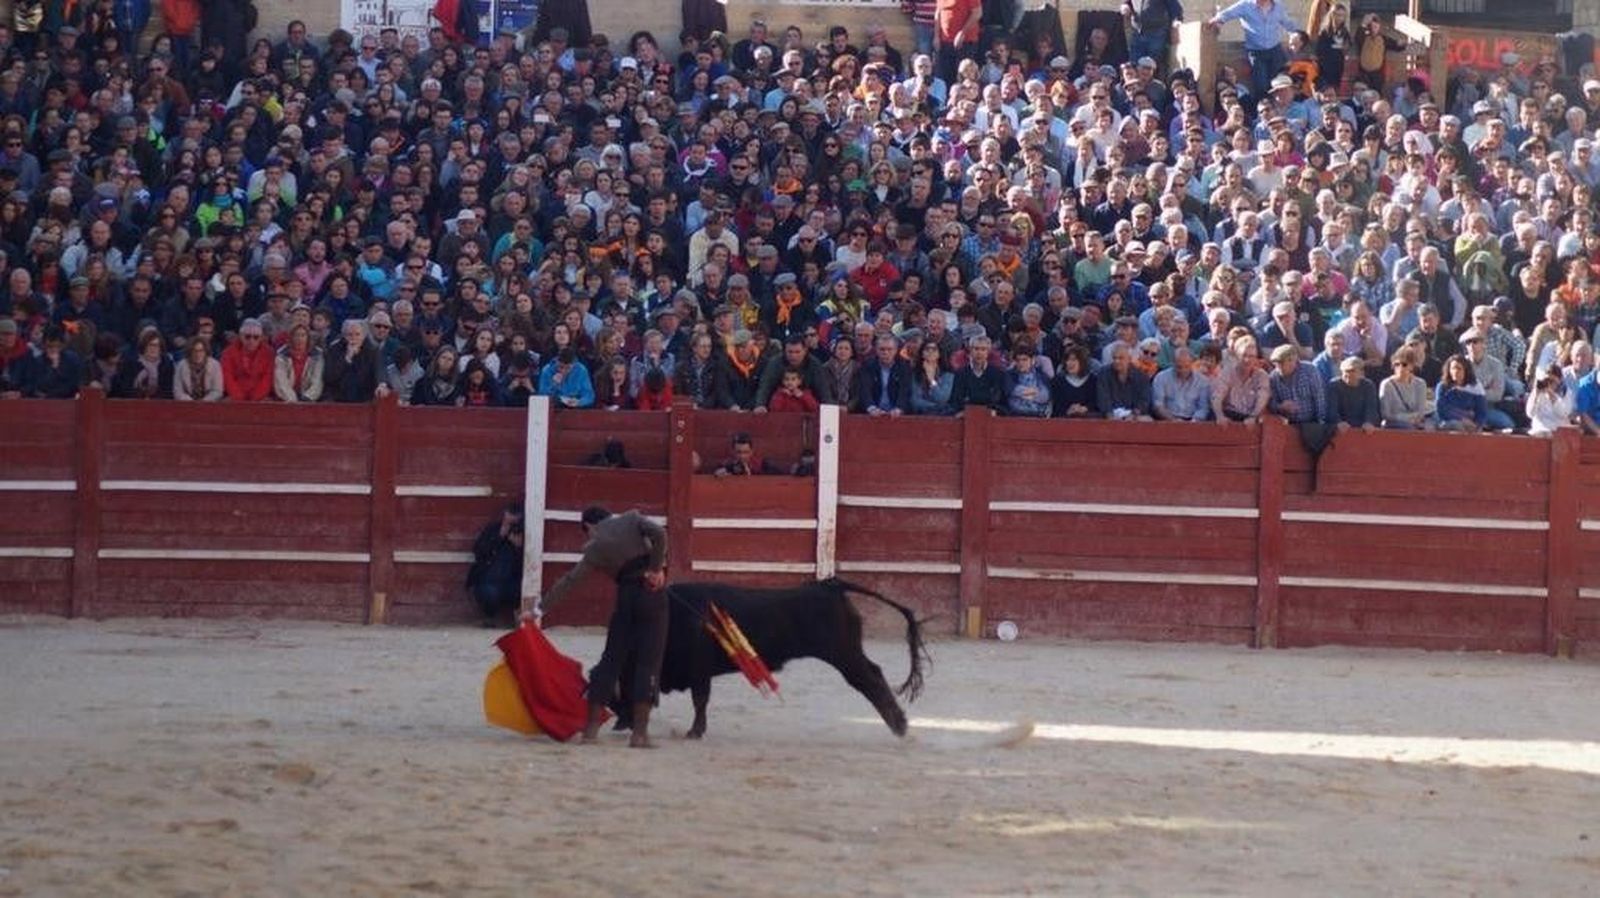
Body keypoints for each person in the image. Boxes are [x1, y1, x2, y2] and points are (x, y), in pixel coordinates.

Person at [535, 505, 669, 749]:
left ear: (589, 527)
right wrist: (655, 568)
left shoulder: (594, 548)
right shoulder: (632, 519)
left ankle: (590, 732)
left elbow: (570, 581)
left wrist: (538, 610)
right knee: (647, 663)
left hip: (626, 598)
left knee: (611, 660)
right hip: (652, 596)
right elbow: (660, 533)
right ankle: (639, 735)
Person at [467, 504, 525, 628]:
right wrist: (499, 537)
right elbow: (478, 551)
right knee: (488, 592)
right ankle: (490, 616)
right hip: (488, 580)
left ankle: (517, 616)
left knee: (520, 589)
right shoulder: (493, 529)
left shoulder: (521, 533)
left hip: (510, 582)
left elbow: (528, 564)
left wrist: (518, 548)